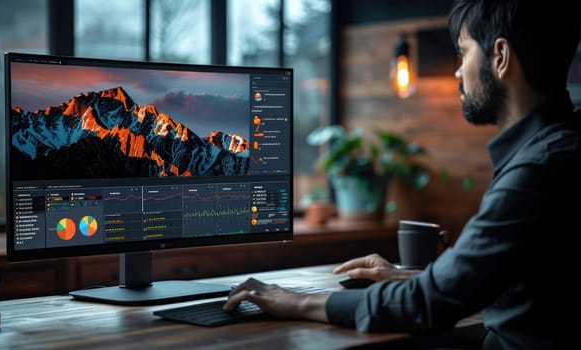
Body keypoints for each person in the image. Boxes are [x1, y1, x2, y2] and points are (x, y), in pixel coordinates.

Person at [224, 0, 581, 348]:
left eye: (464, 51)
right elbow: (505, 283)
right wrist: (421, 278)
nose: (458, 71)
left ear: (500, 57)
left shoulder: (539, 171)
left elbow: (427, 305)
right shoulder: (559, 149)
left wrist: (295, 302)